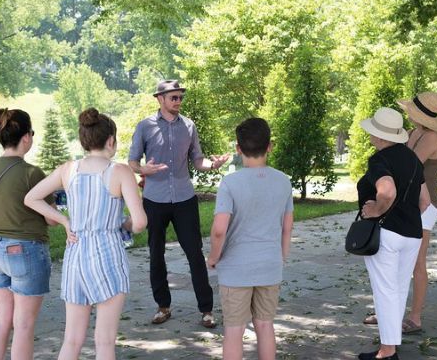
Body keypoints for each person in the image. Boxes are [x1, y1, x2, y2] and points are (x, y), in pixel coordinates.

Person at [24, 108, 147, 360]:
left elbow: (31, 198)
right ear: (111, 140)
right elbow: (140, 223)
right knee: (104, 343)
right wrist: (123, 223)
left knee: (71, 340)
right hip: (108, 255)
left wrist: (63, 220)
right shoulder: (121, 172)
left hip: (76, 254)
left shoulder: (68, 169)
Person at [127, 79, 229, 328]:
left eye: (180, 97)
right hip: (155, 199)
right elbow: (132, 162)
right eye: (174, 97)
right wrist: (143, 170)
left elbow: (198, 160)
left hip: (184, 198)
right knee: (156, 255)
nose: (178, 101)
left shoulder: (189, 126)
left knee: (195, 254)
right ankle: (163, 307)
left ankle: (206, 310)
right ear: (160, 99)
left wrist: (212, 165)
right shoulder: (145, 127)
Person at [206, 118, 294, 360]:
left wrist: (213, 258)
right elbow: (287, 227)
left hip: (236, 268)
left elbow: (219, 230)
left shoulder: (230, 183)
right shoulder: (283, 181)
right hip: (270, 264)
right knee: (265, 326)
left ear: (238, 148)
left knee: (234, 330)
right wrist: (282, 256)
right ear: (270, 146)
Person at [355, 108, 429, 360]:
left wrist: (376, 209)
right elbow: (425, 201)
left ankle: (387, 352)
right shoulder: (412, 160)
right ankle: (390, 345)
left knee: (385, 290)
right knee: (396, 288)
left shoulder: (380, 159)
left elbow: (386, 192)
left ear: (379, 136)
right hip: (412, 233)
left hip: (386, 233)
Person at [0, 109, 56, 360]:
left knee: (1, 320)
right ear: (26, 137)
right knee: (24, 325)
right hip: (26, 250)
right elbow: (50, 219)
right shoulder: (31, 173)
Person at [396, 92, 437, 335]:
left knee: (417, 263)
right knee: (397, 261)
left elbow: (408, 166)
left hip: (425, 207)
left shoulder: (431, 137)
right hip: (410, 204)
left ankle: (415, 318)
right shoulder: (416, 132)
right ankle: (391, 311)